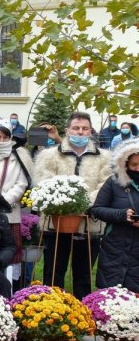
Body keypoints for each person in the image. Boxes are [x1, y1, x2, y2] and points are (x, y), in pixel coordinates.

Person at [34, 112, 112, 297]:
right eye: (76, 128)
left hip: (90, 224)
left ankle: (82, 311)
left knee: (83, 274)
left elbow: (105, 185)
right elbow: (43, 181)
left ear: (90, 131)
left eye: (84, 128)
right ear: (67, 130)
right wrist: (64, 205)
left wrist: (84, 204)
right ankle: (52, 309)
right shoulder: (50, 155)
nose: (80, 132)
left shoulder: (104, 157)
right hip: (56, 222)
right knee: (54, 271)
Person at [0, 119, 33, 286]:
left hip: (10, 212)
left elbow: (22, 182)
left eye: (5, 137)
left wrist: (5, 200)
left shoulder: (19, 155)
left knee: (10, 253)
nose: (1, 141)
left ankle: (11, 287)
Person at [88, 139, 139, 292]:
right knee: (110, 294)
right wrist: (121, 215)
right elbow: (97, 209)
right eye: (134, 165)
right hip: (115, 245)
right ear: (125, 164)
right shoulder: (114, 182)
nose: (138, 169)